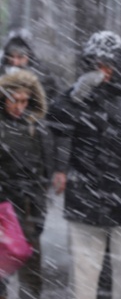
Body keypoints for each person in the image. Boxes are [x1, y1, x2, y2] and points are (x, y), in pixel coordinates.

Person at [47, 31, 121, 299]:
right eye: (95, 64)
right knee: (83, 276)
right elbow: (54, 121)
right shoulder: (79, 95)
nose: (101, 71)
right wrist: (75, 97)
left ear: (119, 63)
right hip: (87, 197)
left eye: (106, 64)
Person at [0, 70, 54, 299]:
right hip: (3, 207)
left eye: (24, 101)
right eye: (14, 100)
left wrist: (39, 205)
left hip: (28, 206)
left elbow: (44, 170)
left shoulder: (36, 128)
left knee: (31, 272)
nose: (19, 106)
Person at [1, 29, 59, 101]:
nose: (15, 62)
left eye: (20, 57)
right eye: (11, 57)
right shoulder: (2, 73)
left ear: (29, 56)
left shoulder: (42, 76)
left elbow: (53, 100)